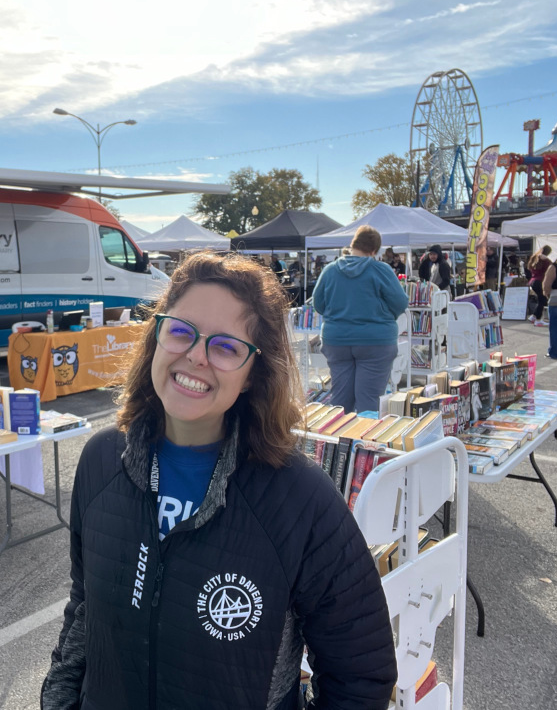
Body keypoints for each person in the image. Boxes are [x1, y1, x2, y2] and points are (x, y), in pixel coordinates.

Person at [41, 252, 397, 709]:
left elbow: (361, 671)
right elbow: (83, 612)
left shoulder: (299, 498)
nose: (195, 357)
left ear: (253, 375)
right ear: (156, 336)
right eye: (181, 331)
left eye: (226, 347)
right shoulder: (101, 460)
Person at [312, 226, 409, 413]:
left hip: (337, 340)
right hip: (376, 341)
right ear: (374, 251)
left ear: (353, 244)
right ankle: (365, 442)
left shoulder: (330, 270)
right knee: (369, 400)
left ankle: (340, 440)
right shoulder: (381, 270)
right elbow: (399, 302)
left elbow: (318, 304)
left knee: (340, 400)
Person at [527, 244, 553, 324]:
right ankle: (538, 319)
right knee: (542, 300)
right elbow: (551, 269)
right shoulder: (547, 261)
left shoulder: (534, 258)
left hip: (533, 281)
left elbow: (529, 267)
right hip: (540, 281)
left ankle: (534, 316)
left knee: (540, 299)